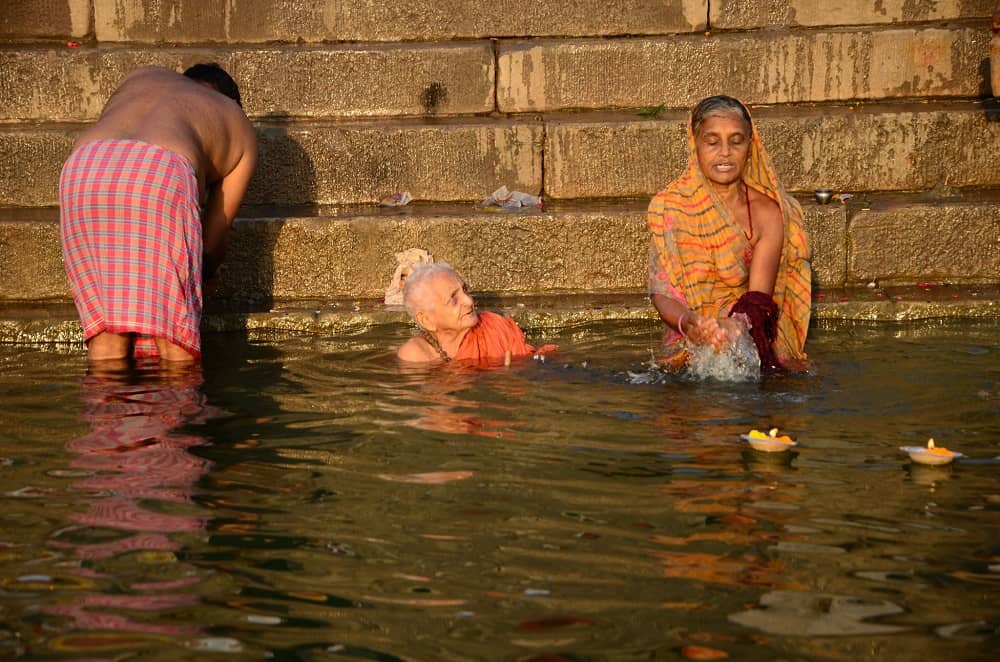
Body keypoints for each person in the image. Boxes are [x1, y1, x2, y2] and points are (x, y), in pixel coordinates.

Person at [59, 64, 258, 363]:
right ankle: (179, 408)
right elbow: (214, 241)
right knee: (174, 339)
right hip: (160, 171)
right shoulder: (238, 123)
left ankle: (104, 408)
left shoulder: (142, 76)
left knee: (107, 339)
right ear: (232, 102)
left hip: (85, 166)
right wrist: (200, 276)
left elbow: (123, 174)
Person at [646, 95, 811, 372]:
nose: (724, 152)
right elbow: (662, 293)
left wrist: (734, 325)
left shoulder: (767, 212)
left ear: (750, 145)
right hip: (688, 337)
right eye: (712, 142)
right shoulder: (669, 207)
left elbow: (759, 299)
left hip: (745, 333)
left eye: (736, 141)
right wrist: (690, 324)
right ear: (695, 145)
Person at [397, 263, 555, 364]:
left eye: (465, 290)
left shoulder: (495, 327)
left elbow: (532, 366)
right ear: (426, 320)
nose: (469, 301)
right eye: (453, 298)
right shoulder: (416, 355)